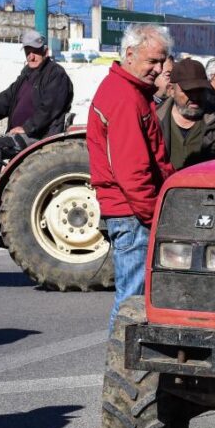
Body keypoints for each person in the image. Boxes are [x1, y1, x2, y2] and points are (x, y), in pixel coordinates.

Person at [87, 24, 176, 330]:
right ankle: (124, 372)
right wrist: (154, 215)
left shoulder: (130, 92)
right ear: (129, 54)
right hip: (132, 213)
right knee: (133, 303)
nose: (159, 69)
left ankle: (129, 369)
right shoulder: (125, 97)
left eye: (162, 61)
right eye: (153, 61)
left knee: (134, 299)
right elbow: (133, 172)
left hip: (130, 211)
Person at [0, 29, 74, 219]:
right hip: (23, 134)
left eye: (35, 51)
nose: (31, 55)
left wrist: (26, 128)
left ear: (45, 51)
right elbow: (3, 102)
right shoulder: (26, 76)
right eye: (27, 51)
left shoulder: (56, 75)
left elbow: (49, 109)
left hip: (39, 136)